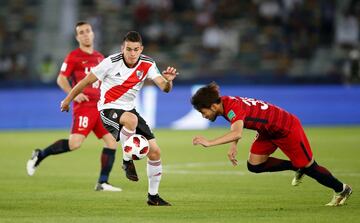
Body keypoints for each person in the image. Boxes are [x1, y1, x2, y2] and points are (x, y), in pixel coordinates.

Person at [60, 31, 177, 206]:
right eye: (128, 49)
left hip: (129, 110)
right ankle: (126, 160)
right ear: (123, 48)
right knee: (131, 120)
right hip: (107, 108)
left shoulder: (148, 63)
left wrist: (168, 81)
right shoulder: (110, 62)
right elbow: (85, 81)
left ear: (141, 49)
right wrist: (68, 99)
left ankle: (153, 197)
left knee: (155, 151)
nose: (132, 53)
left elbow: (164, 87)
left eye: (136, 49)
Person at [191, 82, 352, 206]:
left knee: (310, 167)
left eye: (202, 112)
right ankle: (296, 166)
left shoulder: (231, 107)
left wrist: (209, 142)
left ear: (213, 106)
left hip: (287, 128)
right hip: (268, 132)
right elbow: (237, 125)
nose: (203, 116)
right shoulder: (226, 103)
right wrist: (234, 145)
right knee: (255, 165)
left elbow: (237, 131)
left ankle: (342, 189)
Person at [26, 21, 121, 192]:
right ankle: (40, 154)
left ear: (93, 33)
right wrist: (74, 94)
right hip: (84, 107)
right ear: (77, 37)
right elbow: (61, 79)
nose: (85, 34)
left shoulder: (100, 57)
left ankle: (102, 182)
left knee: (112, 141)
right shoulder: (73, 56)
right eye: (81, 32)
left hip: (99, 107)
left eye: (88, 31)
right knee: (75, 143)